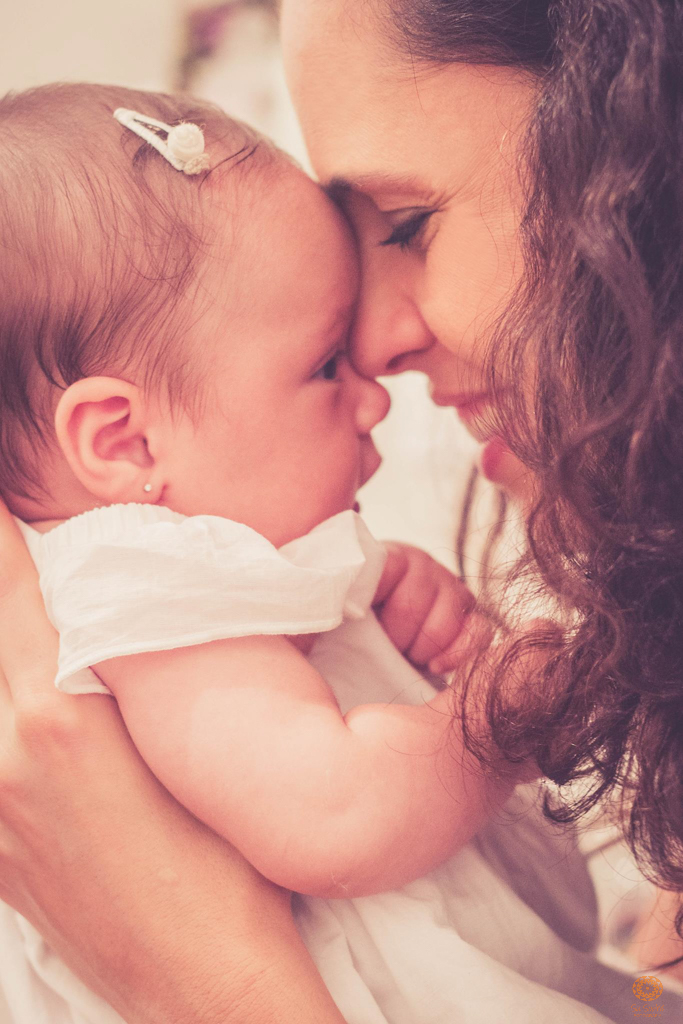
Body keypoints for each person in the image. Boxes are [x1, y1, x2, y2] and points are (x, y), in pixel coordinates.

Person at [0, 0, 682, 1020]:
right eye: (320, 363)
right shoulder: (140, 589)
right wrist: (485, 711)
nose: (372, 355)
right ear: (124, 441)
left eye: (407, 225)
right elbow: (332, 807)